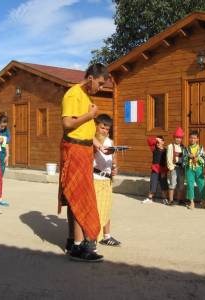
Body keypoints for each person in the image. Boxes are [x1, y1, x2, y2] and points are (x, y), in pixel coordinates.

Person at [58, 63, 109, 262]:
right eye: (101, 83)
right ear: (90, 78)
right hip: (75, 149)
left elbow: (85, 128)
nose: (102, 87)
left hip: (84, 148)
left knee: (75, 195)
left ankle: (74, 240)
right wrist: (90, 115)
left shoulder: (86, 96)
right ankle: (79, 248)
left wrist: (97, 144)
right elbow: (68, 124)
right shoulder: (73, 94)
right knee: (79, 197)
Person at [93, 114, 121, 246]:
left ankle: (106, 236)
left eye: (107, 129)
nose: (105, 131)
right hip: (96, 178)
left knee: (107, 209)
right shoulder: (92, 141)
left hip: (107, 179)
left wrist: (115, 168)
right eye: (102, 127)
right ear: (96, 126)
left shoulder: (110, 142)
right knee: (97, 210)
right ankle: (92, 238)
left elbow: (113, 158)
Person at [183, 130, 205, 209]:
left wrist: (198, 159)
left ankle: (203, 201)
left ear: (197, 139)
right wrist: (188, 157)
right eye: (191, 138)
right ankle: (192, 202)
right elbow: (183, 159)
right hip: (189, 169)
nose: (192, 140)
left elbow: (204, 158)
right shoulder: (186, 149)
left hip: (198, 168)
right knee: (190, 185)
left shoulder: (200, 148)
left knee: (201, 184)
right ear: (189, 139)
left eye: (194, 138)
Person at [142, 136, 168, 204]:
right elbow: (149, 140)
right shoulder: (154, 149)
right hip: (155, 170)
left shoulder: (166, 150)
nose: (158, 143)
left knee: (164, 185)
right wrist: (156, 139)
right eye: (157, 142)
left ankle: (164, 198)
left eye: (160, 142)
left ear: (163, 142)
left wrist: (165, 172)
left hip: (163, 170)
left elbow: (167, 162)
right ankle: (150, 198)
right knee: (153, 183)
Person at [0, 114, 10, 206]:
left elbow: (6, 144)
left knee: (0, 179)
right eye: (2, 126)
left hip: (2, 155)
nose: (3, 127)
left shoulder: (6, 130)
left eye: (5, 126)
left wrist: (7, 156)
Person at [166, 127, 185, 205]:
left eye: (180, 138)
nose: (178, 139)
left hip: (181, 168)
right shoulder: (170, 146)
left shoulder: (183, 147)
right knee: (172, 183)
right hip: (174, 167)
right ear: (174, 137)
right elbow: (168, 157)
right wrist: (171, 168)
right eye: (177, 137)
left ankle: (179, 199)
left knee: (181, 184)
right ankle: (171, 200)